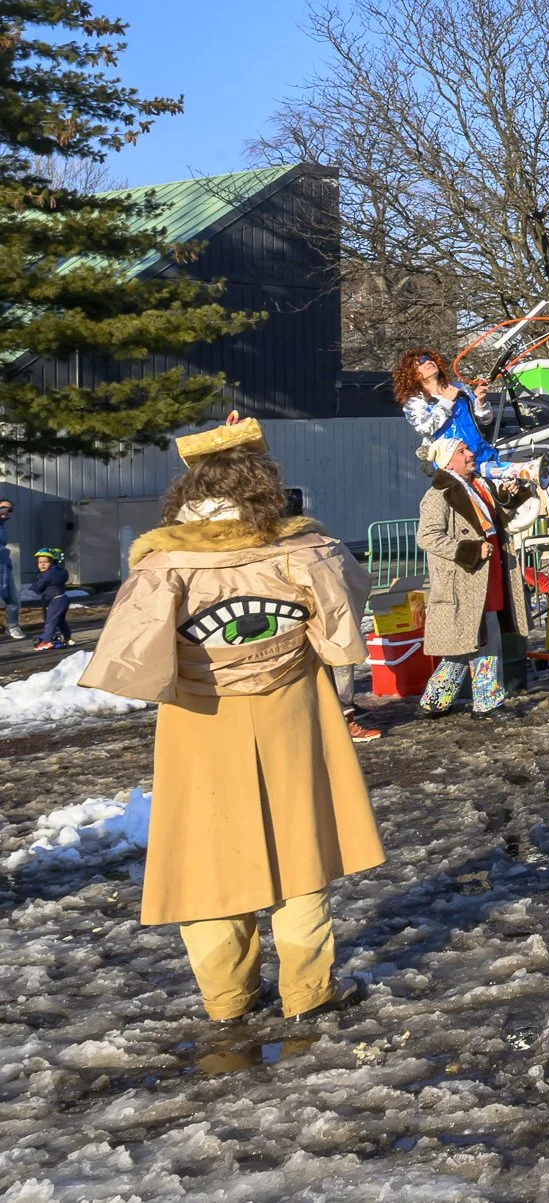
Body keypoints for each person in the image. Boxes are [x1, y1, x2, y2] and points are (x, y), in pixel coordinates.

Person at [76, 417, 378, 1022]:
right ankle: (308, 991)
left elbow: (131, 665)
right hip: (294, 712)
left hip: (199, 720)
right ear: (265, 488)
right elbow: (344, 635)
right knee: (303, 849)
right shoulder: (309, 553)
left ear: (185, 497)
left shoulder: (162, 567)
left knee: (206, 856)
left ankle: (227, 999)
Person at [416, 439, 519, 718]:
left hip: (486, 573)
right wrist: (470, 550)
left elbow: (497, 521)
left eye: (467, 450)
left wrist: (511, 497)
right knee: (487, 639)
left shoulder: (478, 486)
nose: (470, 454)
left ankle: (434, 701)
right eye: (462, 451)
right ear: (448, 460)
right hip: (466, 577)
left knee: (465, 643)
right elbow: (427, 536)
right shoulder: (439, 494)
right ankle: (488, 703)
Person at [394, 348, 512, 482]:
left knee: (509, 488)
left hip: (483, 456)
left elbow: (485, 420)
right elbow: (425, 429)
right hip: (453, 467)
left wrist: (480, 401)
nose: (427, 363)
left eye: (428, 359)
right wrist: (446, 401)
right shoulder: (416, 403)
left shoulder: (459, 388)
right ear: (412, 375)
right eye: (419, 364)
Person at [29, 547, 73, 650]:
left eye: (45, 562)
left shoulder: (47, 575)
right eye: (40, 562)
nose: (42, 564)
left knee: (50, 621)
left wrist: (37, 579)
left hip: (56, 600)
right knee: (60, 620)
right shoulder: (59, 571)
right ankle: (68, 637)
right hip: (62, 598)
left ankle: (47, 641)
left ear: (52, 562)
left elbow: (38, 587)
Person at [0, 496, 21, 640]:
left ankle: (13, 627)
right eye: (3, 508)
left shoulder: (2, 526)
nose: (7, 511)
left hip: (4, 565)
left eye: (10, 509)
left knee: (12, 598)